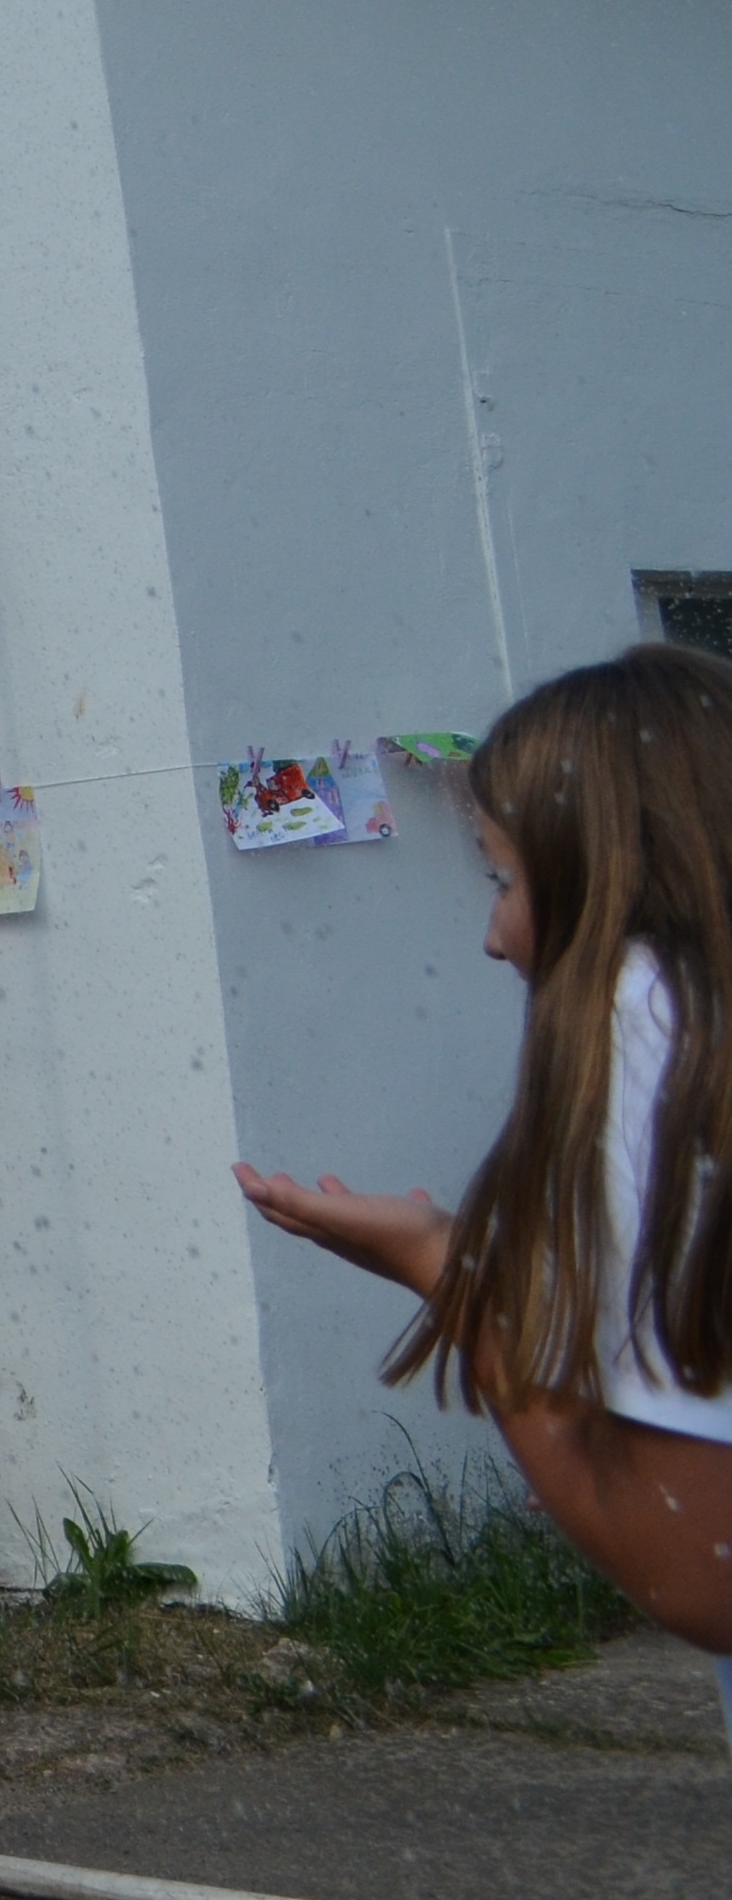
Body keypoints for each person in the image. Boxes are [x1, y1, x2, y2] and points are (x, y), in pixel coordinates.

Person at [240, 642, 732, 1740]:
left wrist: (450, 1274)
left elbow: (700, 1573)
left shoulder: (649, 1020)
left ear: (606, 872)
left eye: (502, 880)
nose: (492, 936)